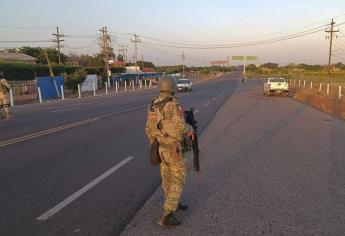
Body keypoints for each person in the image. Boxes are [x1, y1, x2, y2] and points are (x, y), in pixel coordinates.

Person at [145, 77, 191, 227]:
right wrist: (190, 130)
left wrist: (155, 143)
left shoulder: (152, 105)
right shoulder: (173, 104)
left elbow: (148, 128)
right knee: (178, 177)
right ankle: (167, 215)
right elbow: (180, 127)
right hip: (173, 147)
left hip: (160, 147)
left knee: (167, 177)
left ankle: (173, 202)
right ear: (172, 88)